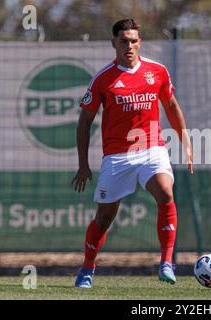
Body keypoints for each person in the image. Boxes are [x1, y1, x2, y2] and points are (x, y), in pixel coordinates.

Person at [71, 18, 193, 288]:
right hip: (117, 157)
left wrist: (185, 142)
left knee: (165, 192)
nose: (129, 45)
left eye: (134, 40)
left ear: (140, 42)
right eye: (124, 41)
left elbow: (171, 106)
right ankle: (87, 269)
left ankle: (166, 263)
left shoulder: (157, 71)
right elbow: (84, 122)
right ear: (113, 43)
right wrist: (83, 164)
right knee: (103, 219)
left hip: (151, 148)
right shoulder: (103, 79)